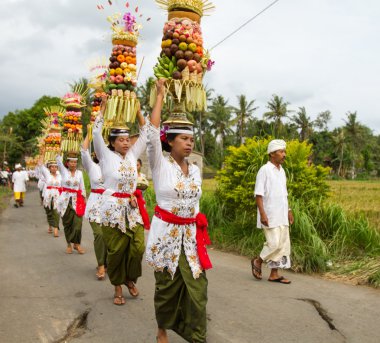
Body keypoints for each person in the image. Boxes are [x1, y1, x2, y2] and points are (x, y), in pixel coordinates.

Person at [146, 80, 212, 343]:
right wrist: (160, 96)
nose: (189, 143)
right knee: (166, 289)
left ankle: (197, 337)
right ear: (170, 141)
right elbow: (151, 132)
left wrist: (198, 228)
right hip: (166, 238)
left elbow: (195, 202)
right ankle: (162, 329)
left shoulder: (195, 169)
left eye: (191, 139)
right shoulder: (160, 165)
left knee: (198, 289)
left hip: (190, 237)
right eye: (184, 139)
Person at [93, 97, 150, 305]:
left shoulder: (133, 155)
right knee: (116, 250)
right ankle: (117, 285)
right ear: (113, 142)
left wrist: (137, 111)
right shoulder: (105, 155)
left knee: (138, 248)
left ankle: (129, 278)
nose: (126, 142)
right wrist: (102, 110)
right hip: (111, 210)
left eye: (128, 139)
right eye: (122, 140)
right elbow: (96, 134)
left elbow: (145, 133)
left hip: (132, 208)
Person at [251, 139, 294, 284]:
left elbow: (284, 194)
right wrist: (262, 214)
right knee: (274, 243)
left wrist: (289, 210)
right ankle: (258, 260)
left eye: (284, 151)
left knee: (282, 244)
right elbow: (258, 194)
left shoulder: (282, 172)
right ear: (272, 154)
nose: (284, 154)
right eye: (281, 152)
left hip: (281, 213)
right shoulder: (265, 170)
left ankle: (274, 274)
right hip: (269, 214)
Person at [81, 129, 107, 280]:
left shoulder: (113, 165)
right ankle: (101, 264)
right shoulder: (92, 166)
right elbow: (83, 150)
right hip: (95, 205)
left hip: (111, 205)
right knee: (99, 234)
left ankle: (108, 263)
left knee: (110, 237)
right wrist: (91, 131)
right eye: (97, 150)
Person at [56, 152, 86, 254]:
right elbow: (58, 161)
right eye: (71, 162)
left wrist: (84, 198)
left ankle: (77, 244)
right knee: (67, 223)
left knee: (78, 224)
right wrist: (59, 151)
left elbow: (82, 187)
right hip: (65, 201)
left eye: (75, 162)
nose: (73, 164)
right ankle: (69, 244)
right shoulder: (64, 171)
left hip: (77, 200)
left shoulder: (80, 173)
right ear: (67, 163)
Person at [37, 159, 61, 237]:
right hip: (48, 196)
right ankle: (50, 225)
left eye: (55, 167)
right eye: (52, 167)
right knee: (49, 212)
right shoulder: (47, 174)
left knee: (56, 212)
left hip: (57, 196)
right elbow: (40, 165)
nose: (54, 168)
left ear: (57, 168)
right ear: (49, 168)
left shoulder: (60, 175)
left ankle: (56, 228)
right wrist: (42, 153)